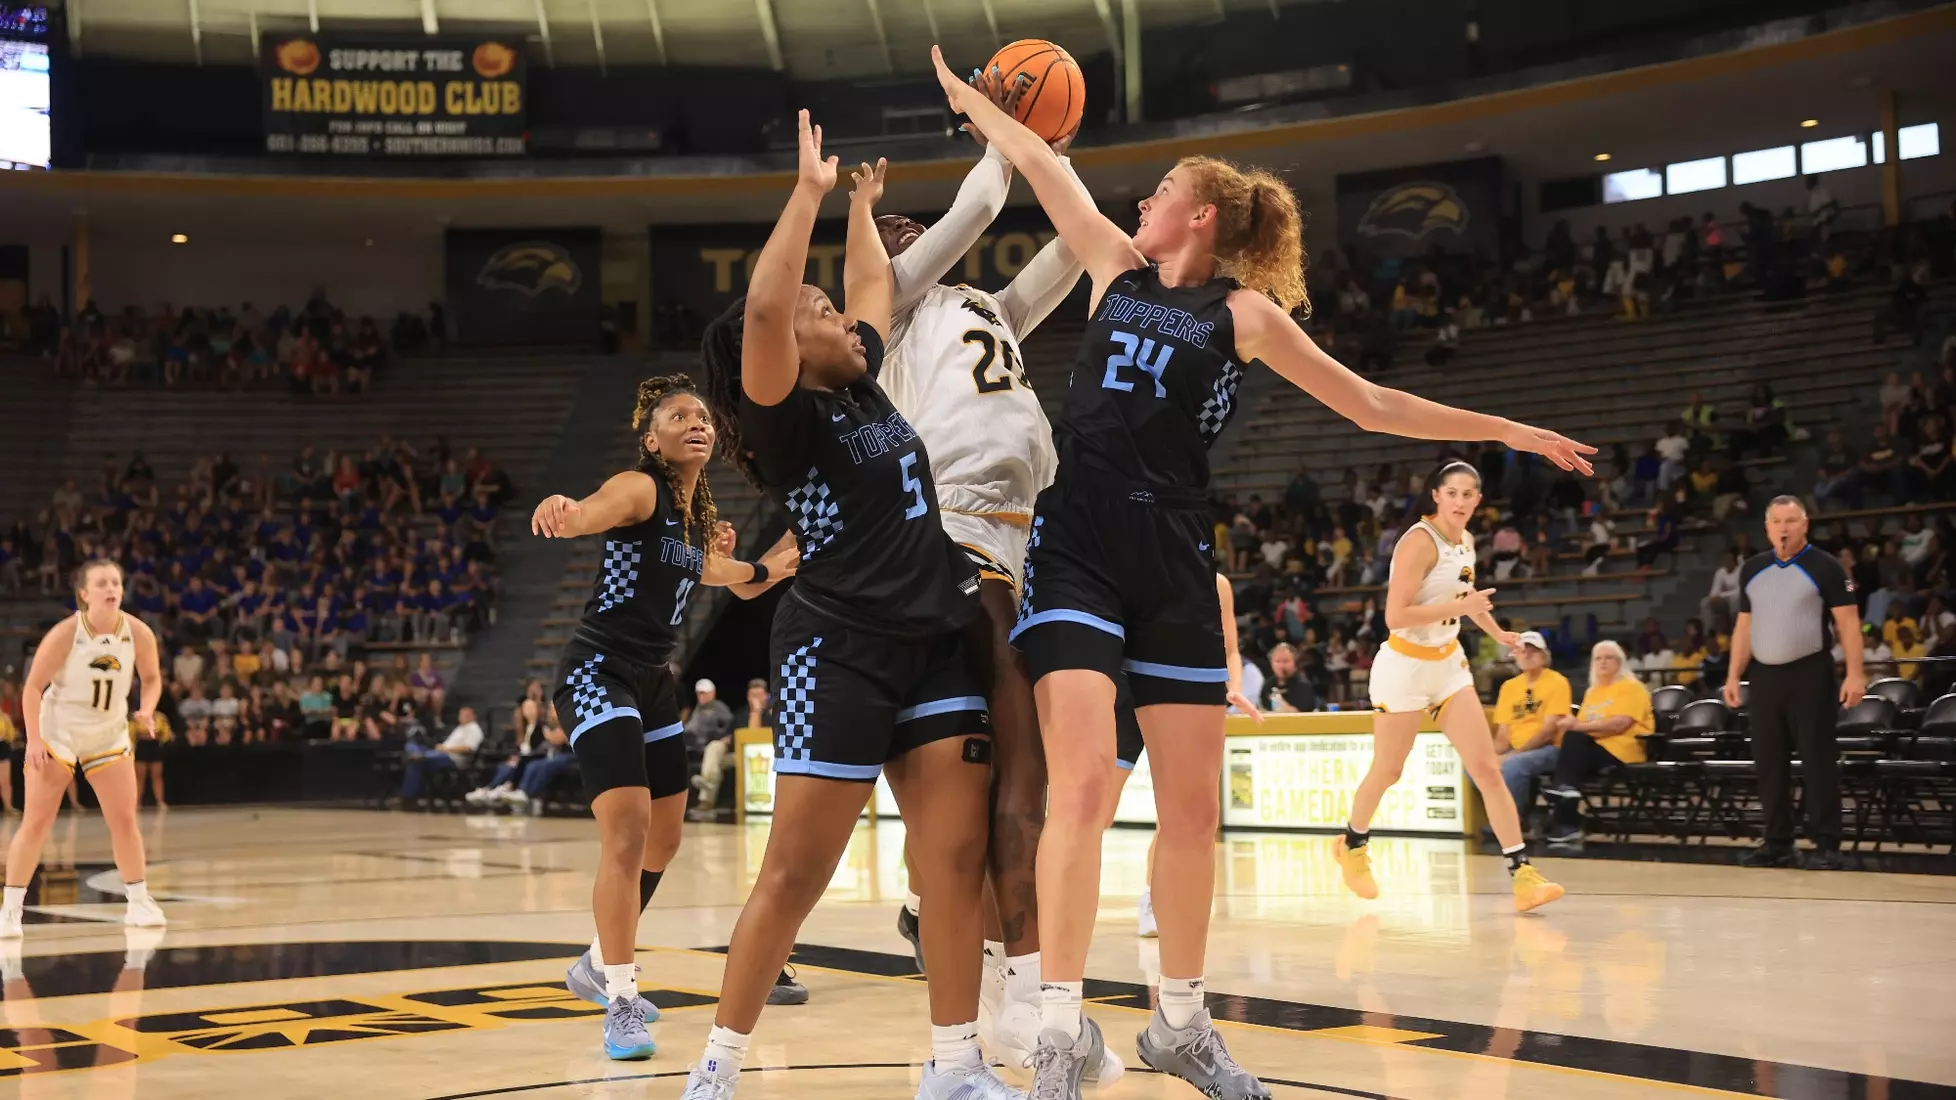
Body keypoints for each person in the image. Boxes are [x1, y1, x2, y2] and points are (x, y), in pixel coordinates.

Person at [933, 48, 1592, 1100]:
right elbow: (1037, 158)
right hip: (1079, 543)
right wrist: (970, 96)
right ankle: (1057, 1029)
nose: (1141, 202)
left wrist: (1509, 429)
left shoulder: (1244, 316)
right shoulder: (1111, 263)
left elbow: (1372, 403)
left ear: (1200, 216)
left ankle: (1181, 1022)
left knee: (1193, 810)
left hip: (1174, 555)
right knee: (1084, 785)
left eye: (1161, 192)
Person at [682, 116, 1009, 1100]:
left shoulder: (860, 378)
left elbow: (870, 286)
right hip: (840, 651)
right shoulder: (788, 419)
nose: (847, 318)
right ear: (784, 347)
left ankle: (956, 1065)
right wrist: (807, 196)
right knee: (795, 874)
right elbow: (770, 307)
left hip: (936, 636)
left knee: (954, 859)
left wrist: (862, 211)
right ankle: (717, 1067)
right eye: (819, 314)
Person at [871, 82, 1089, 1064]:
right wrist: (1006, 132)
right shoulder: (887, 309)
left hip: (1023, 540)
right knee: (1018, 774)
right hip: (958, 533)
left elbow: (1073, 250)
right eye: (889, 231)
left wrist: (1061, 159)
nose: (904, 231)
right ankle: (1025, 991)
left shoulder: (983, 309)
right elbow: (978, 206)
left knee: (1011, 776)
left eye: (905, 226)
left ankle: (976, 949)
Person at [531, 372, 799, 1062]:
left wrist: (765, 570)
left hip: (653, 682)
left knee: (666, 838)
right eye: (678, 417)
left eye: (702, 416)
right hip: (598, 672)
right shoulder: (641, 487)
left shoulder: (692, 519)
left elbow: (718, 575)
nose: (695, 423)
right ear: (652, 440)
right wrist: (567, 510)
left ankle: (597, 961)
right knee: (627, 832)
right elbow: (592, 511)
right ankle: (621, 998)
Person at [1337, 463, 1565, 912]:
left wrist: (1497, 632)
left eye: (1468, 494)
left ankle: (1522, 873)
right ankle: (1352, 844)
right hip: (1404, 666)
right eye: (1453, 493)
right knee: (1388, 770)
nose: (1460, 501)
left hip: (1447, 665)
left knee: (1488, 769)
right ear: (1437, 496)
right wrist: (1463, 607)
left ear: (1478, 500)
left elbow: (1467, 598)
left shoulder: (1467, 542)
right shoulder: (1419, 542)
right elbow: (1395, 616)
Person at [1, 561, 169, 939]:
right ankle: (9, 910)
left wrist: (146, 708)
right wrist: (34, 740)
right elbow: (32, 688)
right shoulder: (66, 633)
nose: (111, 588)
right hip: (58, 731)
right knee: (37, 822)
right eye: (102, 583)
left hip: (107, 733)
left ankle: (138, 902)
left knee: (124, 820)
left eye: (116, 582)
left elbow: (152, 678)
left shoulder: (138, 633)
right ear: (84, 593)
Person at [1722, 496, 1864, 870]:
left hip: (1810, 673)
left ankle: (1827, 843)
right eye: (1776, 521)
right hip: (1764, 677)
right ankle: (1778, 842)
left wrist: (1855, 673)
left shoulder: (1826, 566)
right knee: (1769, 762)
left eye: (1790, 520)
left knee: (1817, 759)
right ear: (1767, 528)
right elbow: (1744, 627)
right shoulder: (1752, 569)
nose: (1783, 528)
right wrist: (1734, 674)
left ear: (1805, 524)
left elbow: (1848, 623)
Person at [1539, 640, 1654, 848]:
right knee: (1571, 742)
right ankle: (1566, 808)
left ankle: (1565, 814)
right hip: (1593, 750)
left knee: (1573, 740)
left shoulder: (1632, 687)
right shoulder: (1593, 692)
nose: (1603, 662)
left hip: (1622, 752)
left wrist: (1577, 726)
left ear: (1620, 662)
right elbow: (1583, 726)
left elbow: (1620, 724)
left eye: (1609, 658)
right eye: (1598, 658)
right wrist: (1572, 724)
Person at [1492, 631, 1573, 825]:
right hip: (1517, 751)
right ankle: (1499, 815)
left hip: (1551, 749)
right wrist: (1492, 757)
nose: (1527, 654)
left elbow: (1548, 732)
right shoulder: (1509, 687)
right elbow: (1503, 734)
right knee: (1476, 769)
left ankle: (1512, 821)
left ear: (1544, 656)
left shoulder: (1557, 682)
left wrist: (1514, 755)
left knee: (1514, 765)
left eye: (1533, 650)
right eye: (1522, 651)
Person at [683, 679, 736, 821]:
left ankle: (706, 783)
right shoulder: (697, 710)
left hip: (716, 746)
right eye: (699, 693)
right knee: (713, 763)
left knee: (713, 750)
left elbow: (731, 726)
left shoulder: (719, 708)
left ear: (712, 693)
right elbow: (690, 729)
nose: (702, 696)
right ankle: (705, 796)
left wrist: (727, 737)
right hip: (697, 750)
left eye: (705, 693)